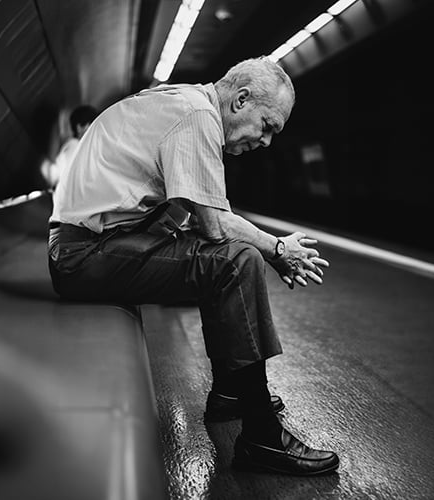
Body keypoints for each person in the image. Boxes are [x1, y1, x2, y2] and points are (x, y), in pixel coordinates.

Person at [47, 56, 339, 475]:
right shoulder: (197, 116)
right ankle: (262, 436)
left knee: (219, 257)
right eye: (267, 125)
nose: (266, 141)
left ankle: (230, 394)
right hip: (83, 253)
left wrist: (268, 250)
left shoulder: (186, 104)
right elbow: (216, 224)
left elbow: (203, 223)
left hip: (93, 245)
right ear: (240, 100)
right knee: (235, 260)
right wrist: (277, 249)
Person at [41, 105, 98, 189]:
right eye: (91, 125)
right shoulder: (74, 146)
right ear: (79, 128)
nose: (94, 129)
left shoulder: (79, 147)